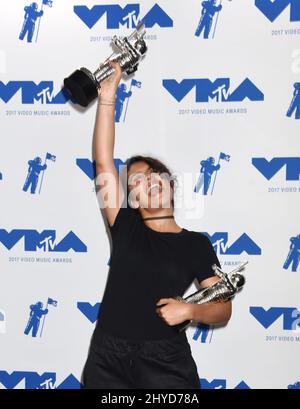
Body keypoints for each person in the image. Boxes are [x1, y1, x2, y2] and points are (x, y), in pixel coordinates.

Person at [82, 61, 232, 389]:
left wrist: (190, 309)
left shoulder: (196, 244)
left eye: (153, 174)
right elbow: (103, 160)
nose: (147, 181)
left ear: (169, 183)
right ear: (131, 198)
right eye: (136, 180)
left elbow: (222, 309)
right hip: (107, 360)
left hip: (165, 363)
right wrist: (108, 96)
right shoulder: (125, 227)